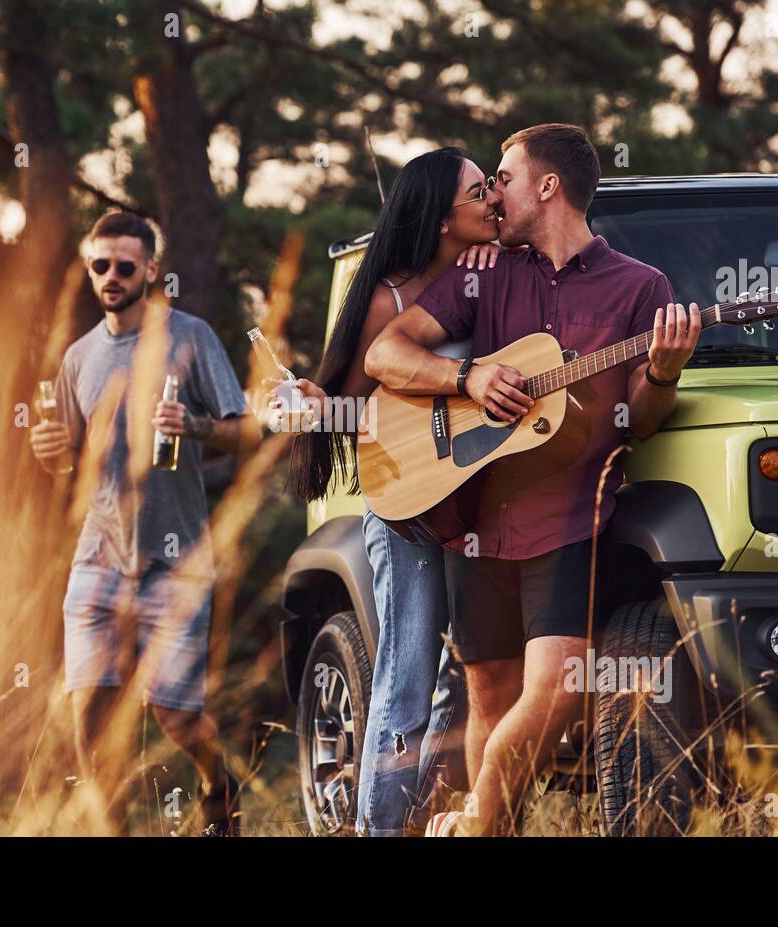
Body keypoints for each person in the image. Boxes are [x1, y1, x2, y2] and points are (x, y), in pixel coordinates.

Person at [365, 124, 701, 836]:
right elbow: (386, 355)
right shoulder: (483, 271)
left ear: (548, 186)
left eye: (505, 177)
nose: (494, 193)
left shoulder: (643, 287)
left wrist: (665, 372)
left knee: (556, 693)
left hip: (572, 515)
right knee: (490, 695)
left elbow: (640, 420)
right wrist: (468, 375)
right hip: (477, 515)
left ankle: (476, 820)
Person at [280, 147, 504, 835]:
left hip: (479, 505)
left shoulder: (492, 271)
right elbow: (354, 411)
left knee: (467, 671)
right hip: (407, 506)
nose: (494, 196)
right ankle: (380, 826)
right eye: (479, 190)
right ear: (442, 219)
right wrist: (310, 402)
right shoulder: (390, 296)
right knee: (404, 676)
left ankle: (427, 810)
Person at [30, 210, 258, 835]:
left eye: (124, 266)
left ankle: (219, 783)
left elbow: (246, 430)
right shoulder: (78, 358)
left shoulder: (190, 337)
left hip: (177, 561)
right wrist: (51, 454)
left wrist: (199, 426)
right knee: (88, 722)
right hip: (98, 558)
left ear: (151, 271)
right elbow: (72, 472)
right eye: (99, 265)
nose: (109, 276)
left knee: (175, 719)